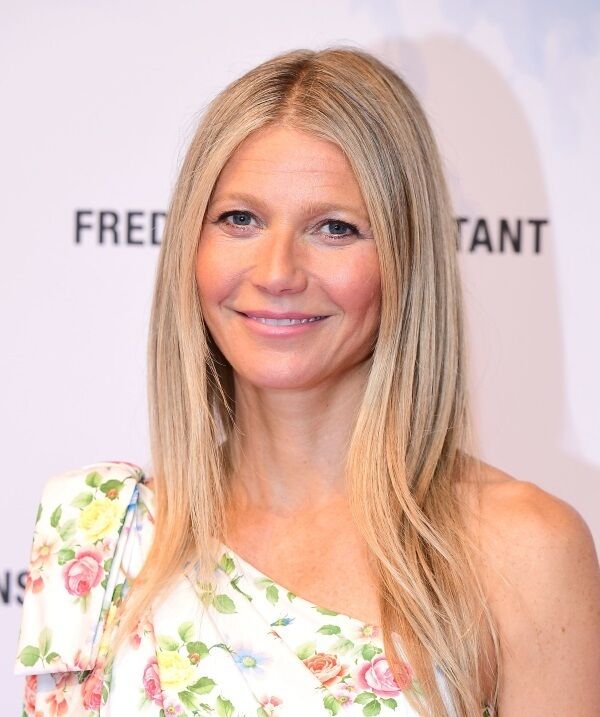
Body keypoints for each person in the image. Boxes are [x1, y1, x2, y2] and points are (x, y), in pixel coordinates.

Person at [14, 46, 600, 717]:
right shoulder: (94, 532)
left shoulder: (522, 550)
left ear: (406, 260)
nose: (277, 272)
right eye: (240, 219)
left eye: (334, 228)